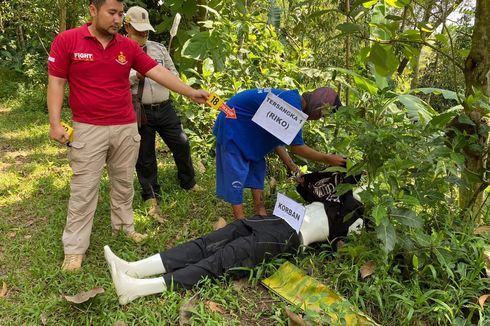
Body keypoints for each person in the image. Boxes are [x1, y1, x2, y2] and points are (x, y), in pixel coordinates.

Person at [47, 0, 209, 271]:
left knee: (124, 183)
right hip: (88, 128)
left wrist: (189, 91)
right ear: (93, 10)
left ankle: (123, 227)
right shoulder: (68, 40)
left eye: (121, 14)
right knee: (84, 189)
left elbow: (156, 71)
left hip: (125, 126)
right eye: (112, 13)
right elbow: (57, 81)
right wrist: (55, 123)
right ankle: (75, 248)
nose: (118, 19)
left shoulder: (127, 46)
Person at [104, 172, 364, 305]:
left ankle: (136, 289)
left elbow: (339, 248)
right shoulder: (343, 189)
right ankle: (134, 268)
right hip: (276, 219)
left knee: (219, 262)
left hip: (288, 236)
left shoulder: (361, 220)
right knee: (205, 244)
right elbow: (306, 184)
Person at [213, 87, 346, 219]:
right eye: (322, 114)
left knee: (257, 166)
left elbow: (278, 142)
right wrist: (328, 158)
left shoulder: (291, 101)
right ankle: (240, 220)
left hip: (249, 130)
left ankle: (260, 212)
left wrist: (294, 169)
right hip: (234, 124)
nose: (319, 118)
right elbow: (297, 147)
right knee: (236, 171)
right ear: (318, 104)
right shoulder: (291, 105)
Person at [124, 6, 203, 223]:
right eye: (138, 31)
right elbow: (116, 80)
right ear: (127, 26)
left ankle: (188, 182)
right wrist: (136, 75)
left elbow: (174, 74)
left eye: (146, 32)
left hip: (165, 107)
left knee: (182, 144)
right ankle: (150, 194)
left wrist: (165, 74)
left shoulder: (159, 49)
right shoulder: (119, 52)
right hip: (141, 110)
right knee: (145, 155)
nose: (143, 35)